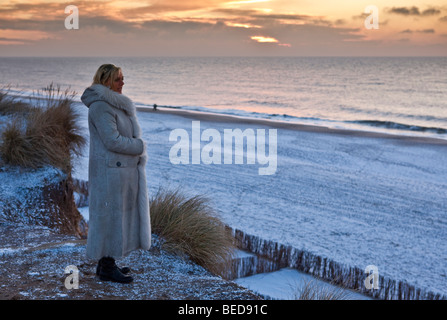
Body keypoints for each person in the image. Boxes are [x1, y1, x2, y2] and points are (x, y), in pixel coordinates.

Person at [81, 64, 151, 283]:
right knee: (109, 218)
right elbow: (112, 141)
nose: (123, 83)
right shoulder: (101, 106)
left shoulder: (114, 104)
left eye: (123, 78)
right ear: (106, 81)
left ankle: (106, 265)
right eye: (118, 79)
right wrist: (139, 146)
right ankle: (108, 267)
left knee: (113, 217)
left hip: (117, 171)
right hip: (109, 172)